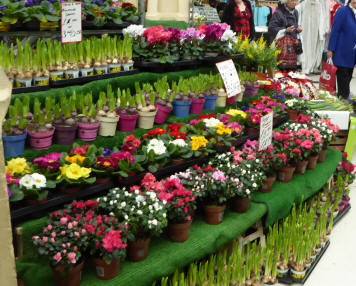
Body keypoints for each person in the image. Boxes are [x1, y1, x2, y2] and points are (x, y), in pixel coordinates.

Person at [327, 0, 356, 99]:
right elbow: (335, 30)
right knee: (343, 80)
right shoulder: (343, 11)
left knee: (348, 78)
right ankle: (343, 100)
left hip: (352, 54)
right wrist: (331, 49)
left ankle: (343, 99)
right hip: (341, 52)